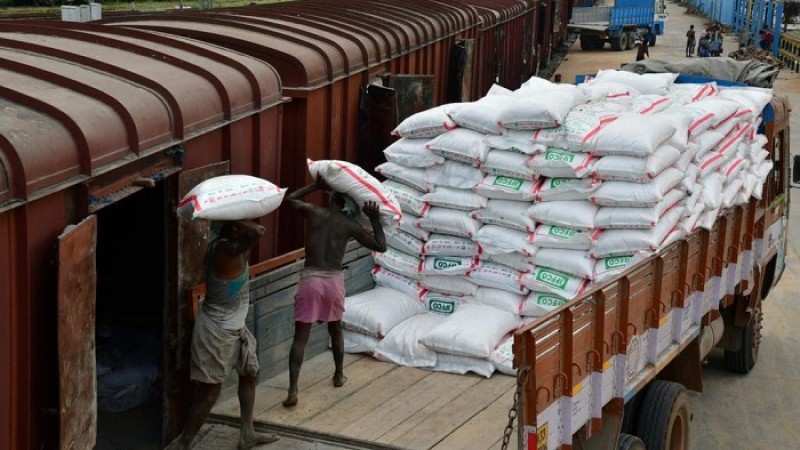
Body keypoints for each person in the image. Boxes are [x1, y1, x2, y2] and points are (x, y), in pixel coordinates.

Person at [166, 220, 279, 450]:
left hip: (233, 327)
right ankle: (183, 442)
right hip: (217, 332)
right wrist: (237, 219)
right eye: (237, 226)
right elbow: (259, 231)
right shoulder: (225, 251)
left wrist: (234, 220)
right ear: (232, 229)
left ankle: (247, 433)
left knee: (249, 374)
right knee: (209, 393)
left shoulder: (224, 246)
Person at [283, 175, 387, 408]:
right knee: (335, 329)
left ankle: (292, 390)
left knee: (300, 337)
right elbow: (381, 246)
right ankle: (339, 375)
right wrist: (375, 219)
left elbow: (290, 199)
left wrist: (315, 186)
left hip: (310, 278)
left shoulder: (315, 213)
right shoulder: (350, 225)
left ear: (333, 200)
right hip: (333, 281)